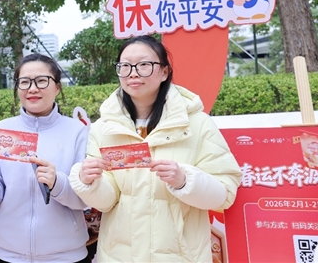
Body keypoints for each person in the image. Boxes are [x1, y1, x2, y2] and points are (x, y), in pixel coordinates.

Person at [68, 35, 242, 262]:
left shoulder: (197, 124)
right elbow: (107, 201)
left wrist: (184, 181)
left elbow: (224, 194)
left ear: (164, 72)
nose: (133, 73)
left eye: (144, 65)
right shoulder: (103, 128)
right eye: (125, 66)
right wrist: (89, 182)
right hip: (119, 257)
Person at [0, 53, 90, 263]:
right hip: (6, 255)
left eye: (42, 81)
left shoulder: (77, 132)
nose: (32, 89)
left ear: (57, 87)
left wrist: (57, 182)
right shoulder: (4, 129)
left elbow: (85, 199)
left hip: (66, 257)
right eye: (24, 82)